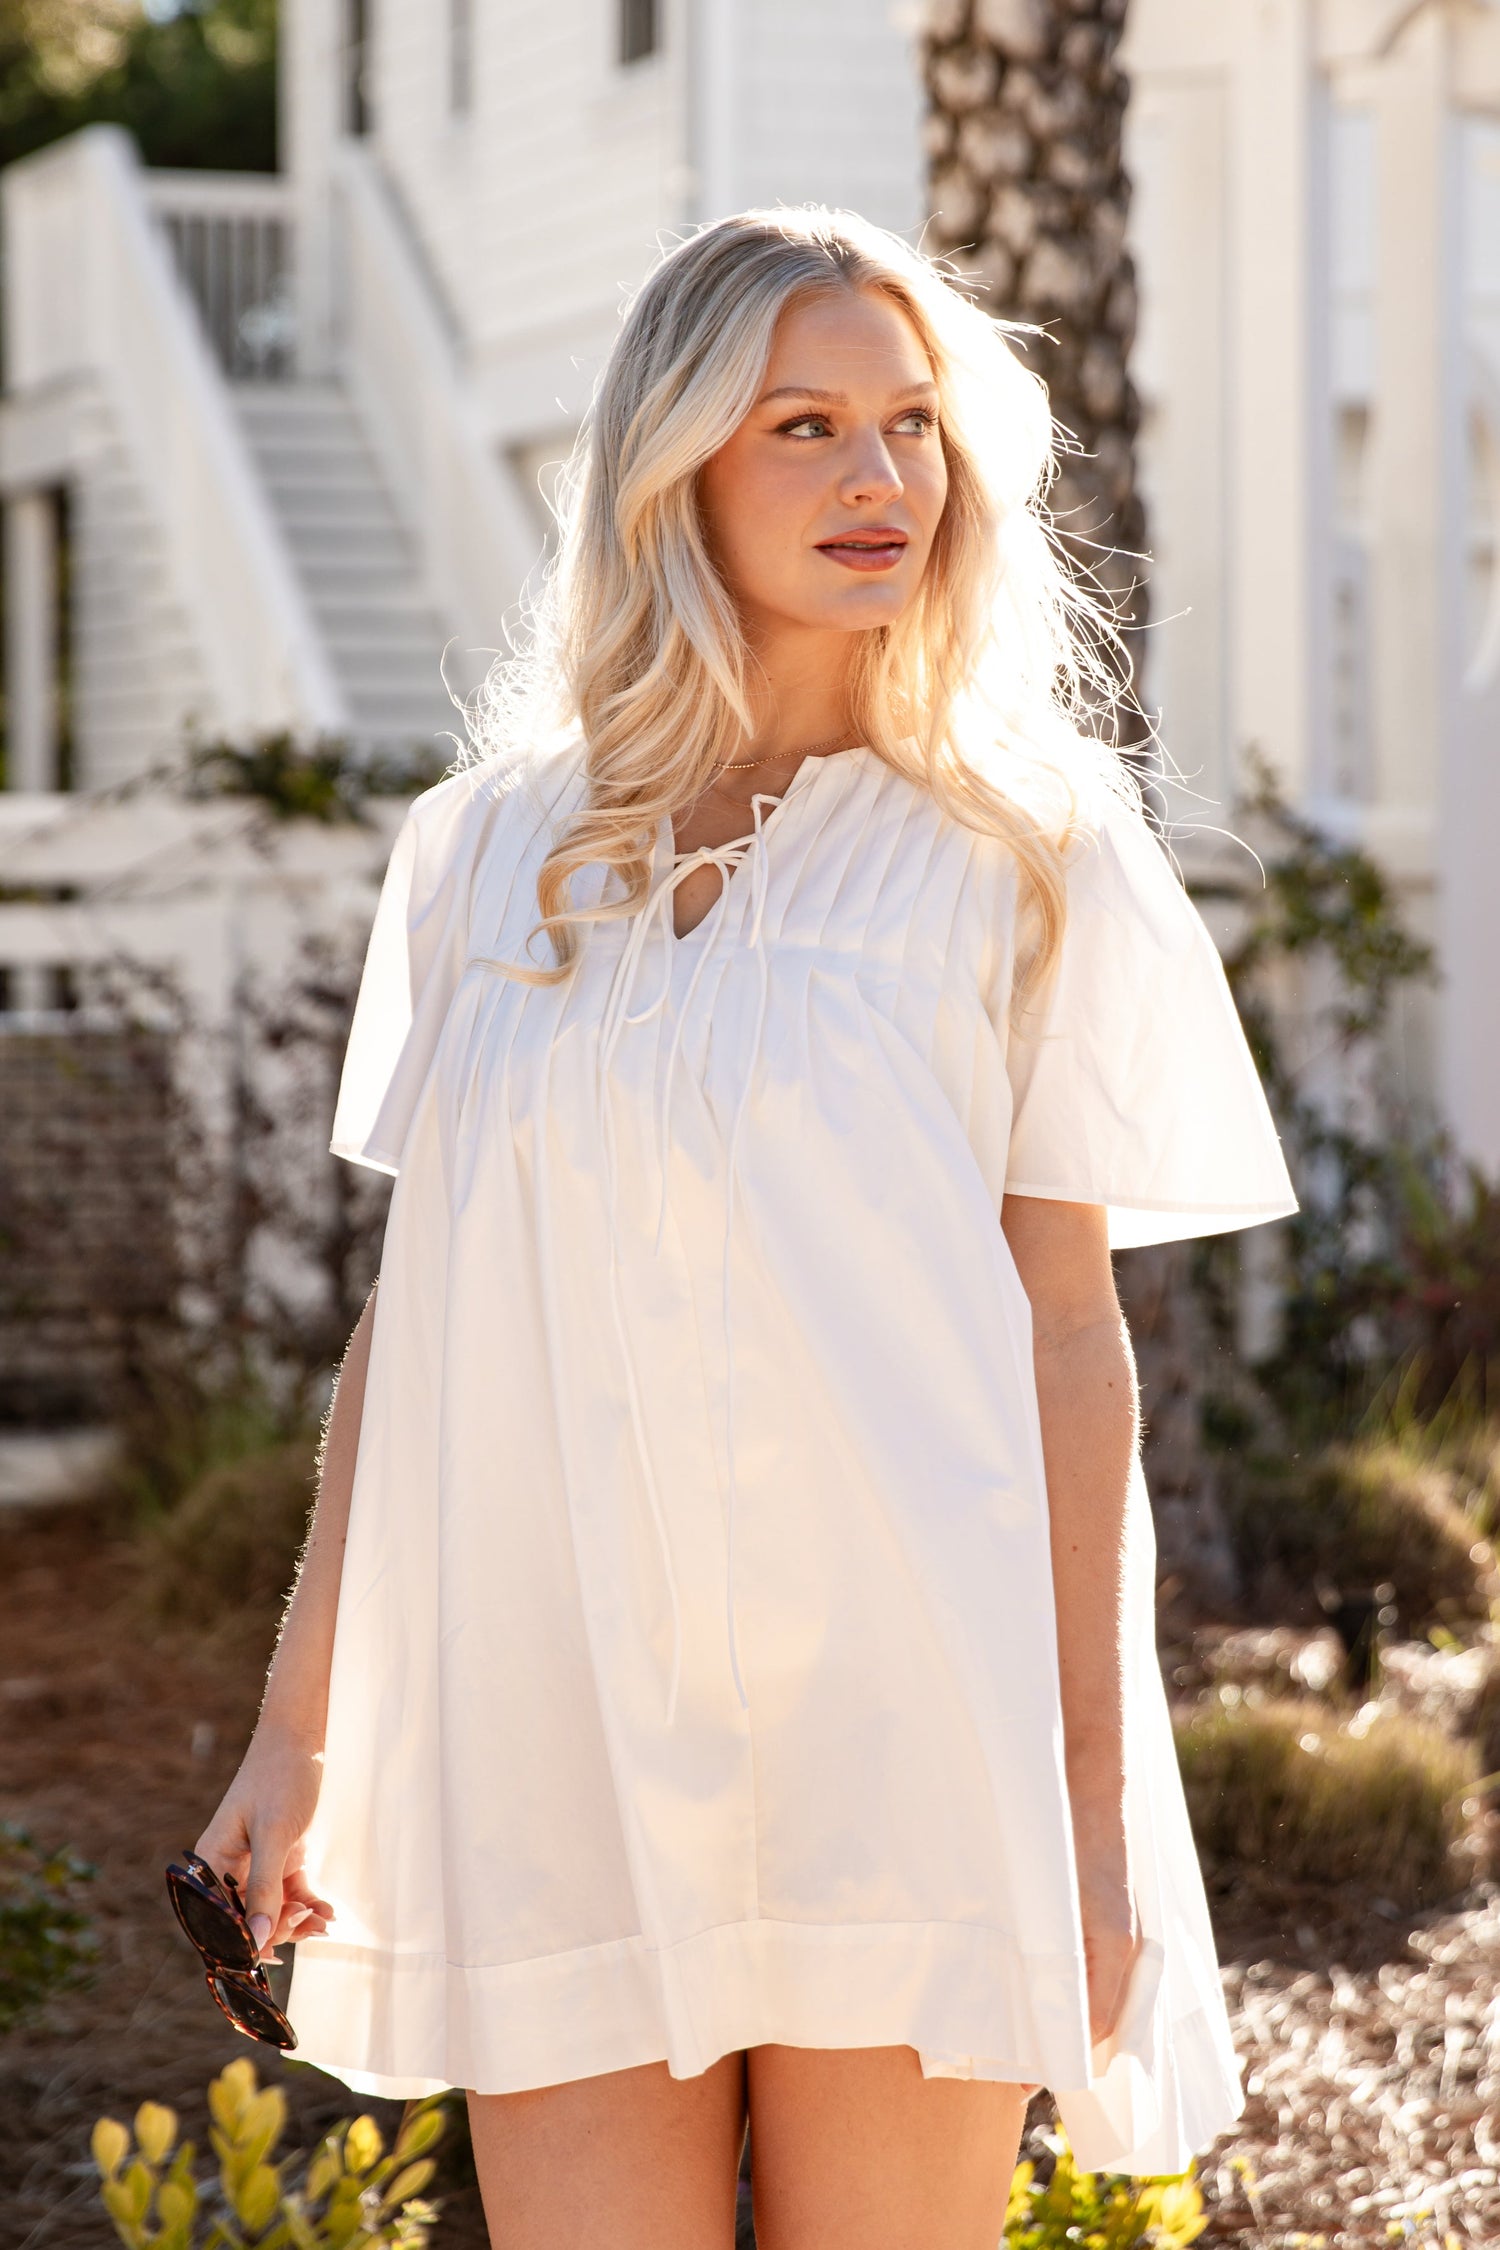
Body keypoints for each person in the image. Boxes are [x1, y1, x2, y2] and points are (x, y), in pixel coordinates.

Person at [195, 206, 1297, 2249]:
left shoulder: (1027, 853)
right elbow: (414, 1333)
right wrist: (297, 1734)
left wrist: (1086, 1802)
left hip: (905, 1721)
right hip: (559, 1725)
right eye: (805, 425)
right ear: (675, 463)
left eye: (910, 425)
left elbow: (1071, 1340)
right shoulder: (485, 861)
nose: (881, 481)